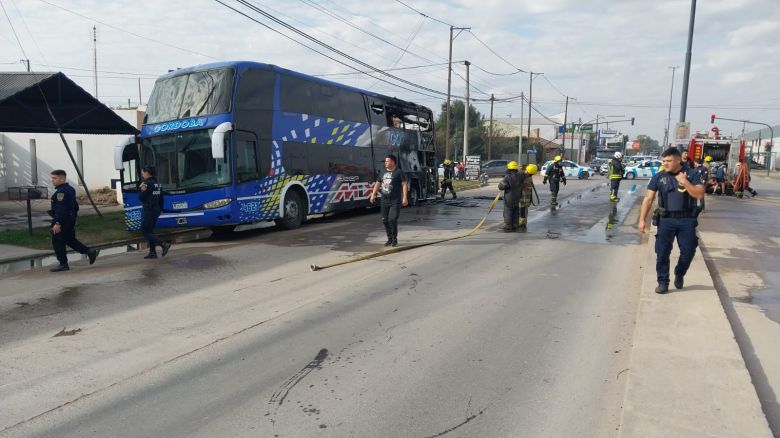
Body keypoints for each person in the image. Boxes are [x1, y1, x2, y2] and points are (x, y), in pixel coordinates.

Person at [638, 147, 705, 294]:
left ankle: (679, 273)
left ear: (678, 160)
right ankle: (663, 282)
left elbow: (699, 194)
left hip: (687, 220)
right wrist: (642, 219)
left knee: (688, 251)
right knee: (662, 253)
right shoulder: (658, 177)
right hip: (666, 220)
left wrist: (685, 182)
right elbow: (648, 199)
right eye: (663, 161)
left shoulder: (692, 174)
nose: (665, 164)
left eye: (668, 161)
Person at [47, 169, 98, 272]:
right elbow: (73, 206)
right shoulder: (69, 189)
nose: (52, 180)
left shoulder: (61, 192)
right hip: (69, 219)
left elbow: (61, 209)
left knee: (57, 241)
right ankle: (89, 251)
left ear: (62, 179)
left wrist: (58, 223)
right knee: (69, 240)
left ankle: (63, 264)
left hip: (63, 220)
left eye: (54, 178)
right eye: (52, 178)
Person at [370, 154, 408, 247]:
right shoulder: (383, 172)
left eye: (387, 161)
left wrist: (405, 197)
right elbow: (378, 183)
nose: (385, 163)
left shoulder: (399, 172)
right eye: (385, 161)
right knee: (385, 220)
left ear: (393, 162)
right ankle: (389, 239)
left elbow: (404, 185)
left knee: (392, 219)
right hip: (384, 201)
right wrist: (373, 194)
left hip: (395, 201)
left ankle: (394, 239)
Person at [139, 166, 171, 259]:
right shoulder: (157, 184)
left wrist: (140, 188)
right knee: (150, 231)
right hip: (156, 210)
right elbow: (161, 198)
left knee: (145, 231)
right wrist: (161, 208)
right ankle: (152, 252)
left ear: (147, 172)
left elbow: (141, 197)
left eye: (143, 173)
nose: (142, 174)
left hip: (149, 210)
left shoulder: (146, 184)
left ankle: (163, 244)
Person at [497, 161, 523, 232]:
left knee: (508, 211)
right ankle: (515, 225)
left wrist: (502, 183)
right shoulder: (520, 176)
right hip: (517, 197)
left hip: (509, 198)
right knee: (516, 211)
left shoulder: (507, 177)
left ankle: (508, 226)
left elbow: (501, 187)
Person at [519, 164, 538, 232]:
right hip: (522, 198)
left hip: (526, 198)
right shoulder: (522, 176)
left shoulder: (528, 175)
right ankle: (521, 223)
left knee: (524, 210)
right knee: (522, 210)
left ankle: (523, 222)